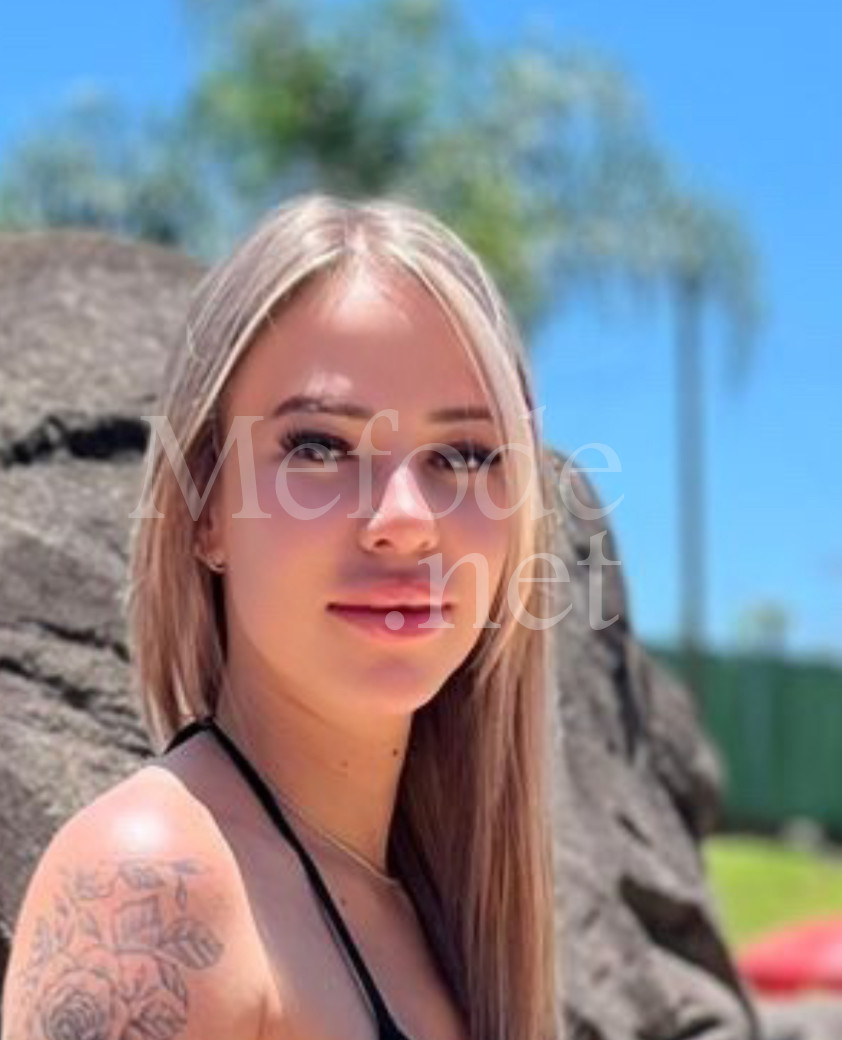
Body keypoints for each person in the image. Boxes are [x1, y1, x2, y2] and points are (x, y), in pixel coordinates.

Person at [1, 194, 561, 1040]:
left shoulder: (439, 914)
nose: (405, 519)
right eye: (319, 447)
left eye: (463, 454)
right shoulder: (149, 885)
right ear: (206, 509)